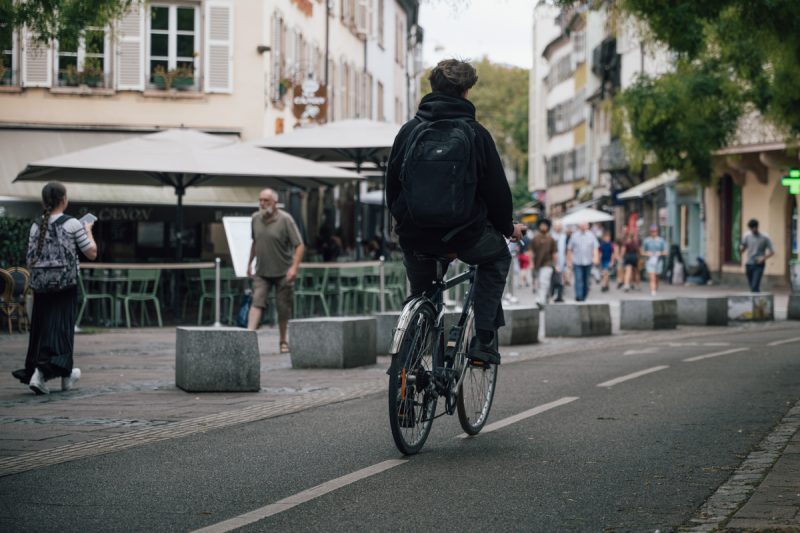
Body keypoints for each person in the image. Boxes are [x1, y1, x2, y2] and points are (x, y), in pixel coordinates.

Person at [386, 58, 526, 365]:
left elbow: (392, 188)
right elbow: (497, 192)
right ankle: (484, 340)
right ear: (466, 91)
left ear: (432, 87)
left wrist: (407, 221)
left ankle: (408, 363)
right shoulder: (476, 133)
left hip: (416, 234)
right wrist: (507, 228)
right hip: (466, 233)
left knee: (422, 293)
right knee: (498, 258)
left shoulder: (409, 131)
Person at [11, 182, 97, 395]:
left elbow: (29, 260)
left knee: (43, 330)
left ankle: (66, 376)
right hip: (65, 285)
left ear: (44, 201)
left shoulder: (35, 225)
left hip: (41, 286)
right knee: (63, 331)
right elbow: (91, 252)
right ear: (64, 199)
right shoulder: (73, 224)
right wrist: (88, 231)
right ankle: (42, 374)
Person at [247, 188, 305, 354]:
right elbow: (255, 242)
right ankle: (248, 338)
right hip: (262, 271)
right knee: (256, 302)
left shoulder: (285, 219)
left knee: (283, 307)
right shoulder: (255, 218)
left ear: (274, 202)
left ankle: (283, 340)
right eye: (260, 200)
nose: (262, 204)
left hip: (283, 271)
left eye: (266, 200)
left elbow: (299, 245)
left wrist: (294, 268)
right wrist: (249, 263)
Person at [567, 222, 599, 302]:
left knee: (586, 280)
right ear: (579, 225)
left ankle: (584, 295)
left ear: (587, 226)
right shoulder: (574, 235)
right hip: (577, 261)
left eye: (585, 224)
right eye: (582, 224)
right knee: (578, 278)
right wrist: (569, 261)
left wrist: (596, 257)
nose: (584, 226)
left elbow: (595, 248)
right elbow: (569, 249)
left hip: (588, 261)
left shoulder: (591, 235)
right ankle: (579, 296)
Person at [740, 218, 774, 292]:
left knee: (755, 285)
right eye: (750, 228)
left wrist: (763, 258)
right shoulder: (746, 236)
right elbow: (743, 248)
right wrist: (741, 248)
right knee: (752, 286)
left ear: (757, 227)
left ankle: (756, 301)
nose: (752, 230)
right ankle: (757, 301)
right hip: (749, 263)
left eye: (753, 228)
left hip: (759, 264)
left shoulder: (765, 237)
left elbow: (772, 252)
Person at [530, 218, 557, 308]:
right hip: (537, 264)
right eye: (542, 225)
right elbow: (531, 252)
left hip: (548, 264)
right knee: (539, 282)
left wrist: (555, 265)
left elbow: (554, 253)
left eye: (545, 225)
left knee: (543, 281)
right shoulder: (535, 238)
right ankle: (547, 298)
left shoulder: (551, 239)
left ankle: (540, 300)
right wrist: (531, 263)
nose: (543, 227)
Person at [642, 225, 668, 296]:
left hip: (658, 261)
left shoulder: (661, 240)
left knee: (656, 276)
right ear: (650, 232)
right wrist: (646, 253)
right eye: (652, 231)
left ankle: (655, 287)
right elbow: (642, 251)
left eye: (655, 231)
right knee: (652, 276)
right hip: (650, 261)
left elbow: (666, 252)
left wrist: (660, 253)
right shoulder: (646, 241)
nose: (653, 233)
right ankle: (653, 290)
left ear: (657, 232)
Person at [550, 221, 566, 302]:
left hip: (562, 260)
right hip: (552, 261)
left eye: (559, 226)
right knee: (553, 278)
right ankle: (552, 295)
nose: (558, 227)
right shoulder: (551, 236)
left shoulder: (564, 236)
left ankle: (559, 295)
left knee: (561, 279)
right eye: (556, 226)